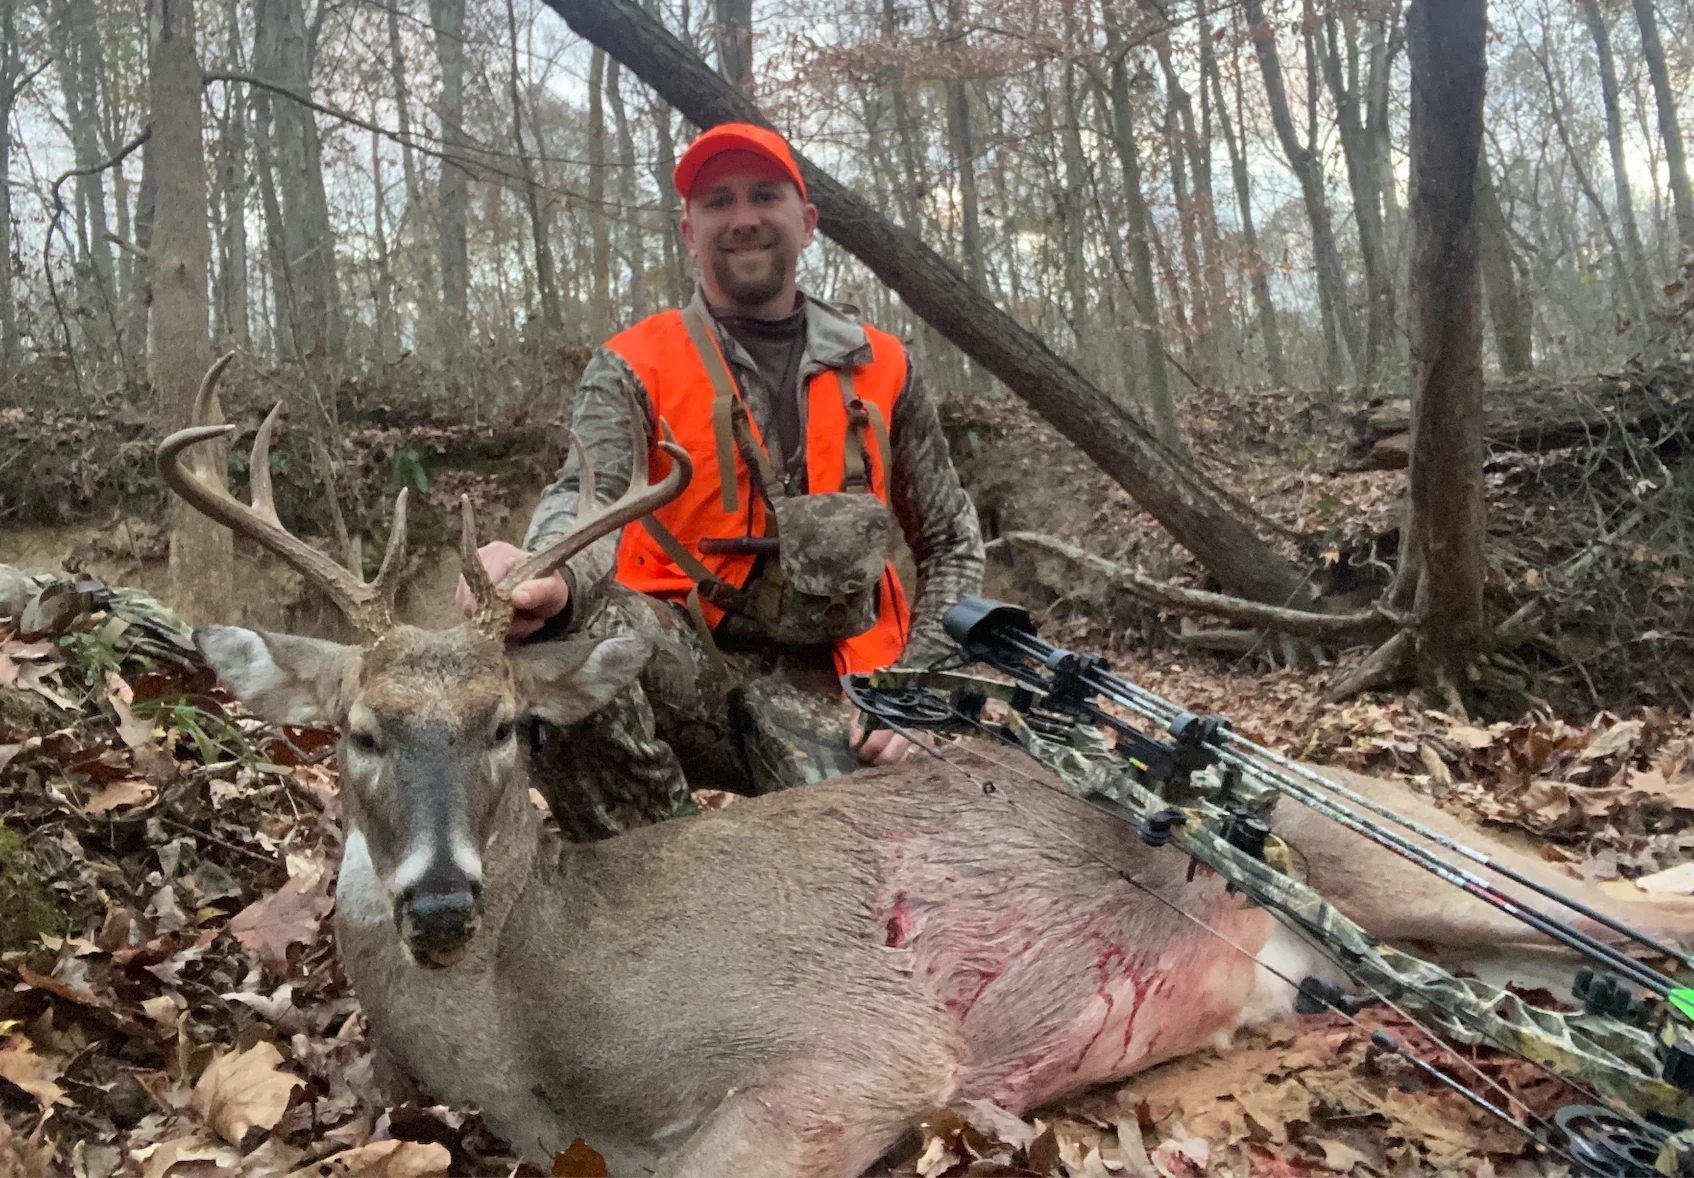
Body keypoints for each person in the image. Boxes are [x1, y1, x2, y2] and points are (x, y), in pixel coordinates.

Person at [460, 122, 982, 839]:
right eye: (718, 201)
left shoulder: (884, 365)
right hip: (686, 664)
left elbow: (952, 540)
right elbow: (584, 497)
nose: (743, 219)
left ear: (808, 223)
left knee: (867, 883)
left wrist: (917, 686)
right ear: (688, 229)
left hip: (850, 689)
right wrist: (546, 576)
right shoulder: (633, 363)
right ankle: (656, 884)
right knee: (564, 639)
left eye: (765, 196)